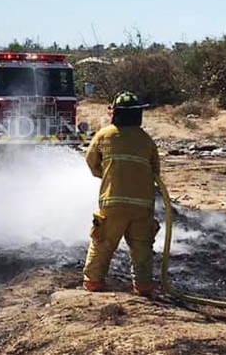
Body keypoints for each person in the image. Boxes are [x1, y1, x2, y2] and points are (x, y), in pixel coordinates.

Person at [83, 91, 161, 297]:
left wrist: (110, 177)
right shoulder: (146, 140)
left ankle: (93, 282)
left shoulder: (105, 136)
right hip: (143, 205)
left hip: (113, 202)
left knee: (103, 242)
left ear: (115, 113)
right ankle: (143, 287)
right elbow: (155, 172)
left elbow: (92, 163)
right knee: (142, 246)